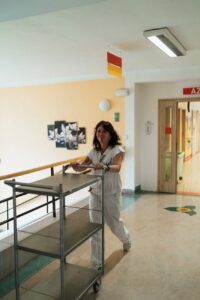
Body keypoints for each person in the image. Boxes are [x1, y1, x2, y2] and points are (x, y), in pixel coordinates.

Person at [71, 120, 131, 269]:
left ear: (110, 134)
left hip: (111, 193)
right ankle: (97, 262)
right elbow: (84, 166)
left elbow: (117, 167)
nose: (101, 134)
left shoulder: (117, 150)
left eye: (104, 131)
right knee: (95, 227)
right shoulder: (94, 151)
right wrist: (77, 166)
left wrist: (105, 166)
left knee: (114, 224)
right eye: (98, 131)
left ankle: (126, 238)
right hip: (95, 193)